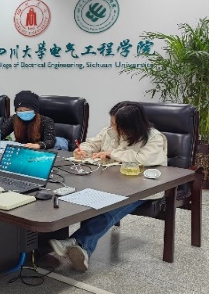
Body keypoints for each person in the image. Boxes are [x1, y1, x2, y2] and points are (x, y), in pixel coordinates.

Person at [49, 102, 167, 271]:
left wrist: (111, 153)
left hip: (141, 189)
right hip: (111, 183)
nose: (112, 128)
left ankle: (77, 242)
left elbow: (144, 158)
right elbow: (93, 143)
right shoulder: (111, 130)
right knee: (84, 196)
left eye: (116, 125)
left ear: (130, 125)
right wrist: (83, 150)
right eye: (112, 123)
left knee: (112, 207)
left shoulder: (154, 138)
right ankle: (81, 247)